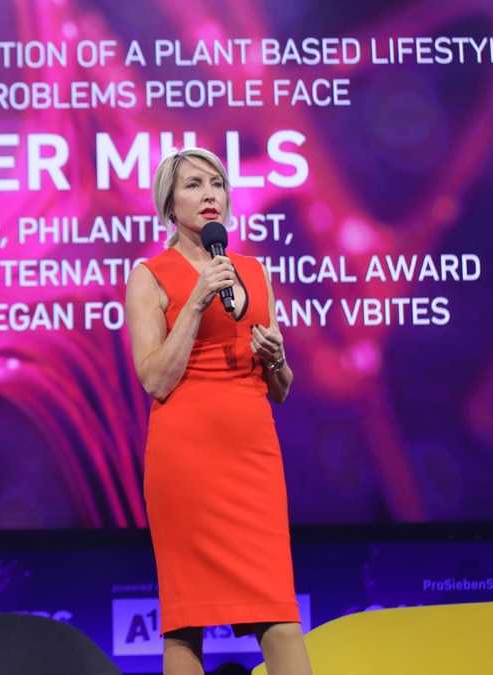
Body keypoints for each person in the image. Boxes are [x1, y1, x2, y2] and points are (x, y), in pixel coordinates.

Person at [124, 147, 313, 675]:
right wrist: (195, 302)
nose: (210, 194)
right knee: (186, 622)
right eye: (193, 185)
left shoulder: (253, 271)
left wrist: (276, 359)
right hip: (186, 461)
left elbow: (280, 389)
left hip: (253, 459)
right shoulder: (149, 276)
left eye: (217, 184)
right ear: (169, 205)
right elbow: (154, 378)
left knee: (278, 613)